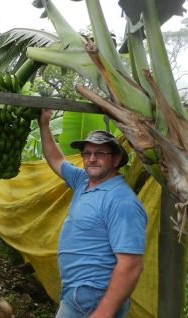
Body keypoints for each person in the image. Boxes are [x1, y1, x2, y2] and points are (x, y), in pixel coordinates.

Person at [37, 109, 147, 318]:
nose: (92, 159)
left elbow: (131, 265)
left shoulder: (121, 201)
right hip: (78, 294)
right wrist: (44, 125)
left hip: (94, 298)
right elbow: (56, 160)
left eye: (100, 154)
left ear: (115, 160)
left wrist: (103, 313)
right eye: (87, 153)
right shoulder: (82, 182)